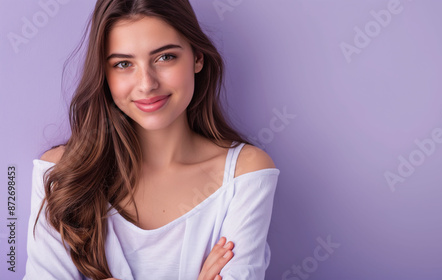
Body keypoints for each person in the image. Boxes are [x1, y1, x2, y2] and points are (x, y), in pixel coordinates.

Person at [24, 0, 280, 279]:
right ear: (104, 75)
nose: (147, 83)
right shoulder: (61, 174)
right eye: (123, 64)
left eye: (165, 57)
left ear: (197, 58)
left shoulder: (244, 173)